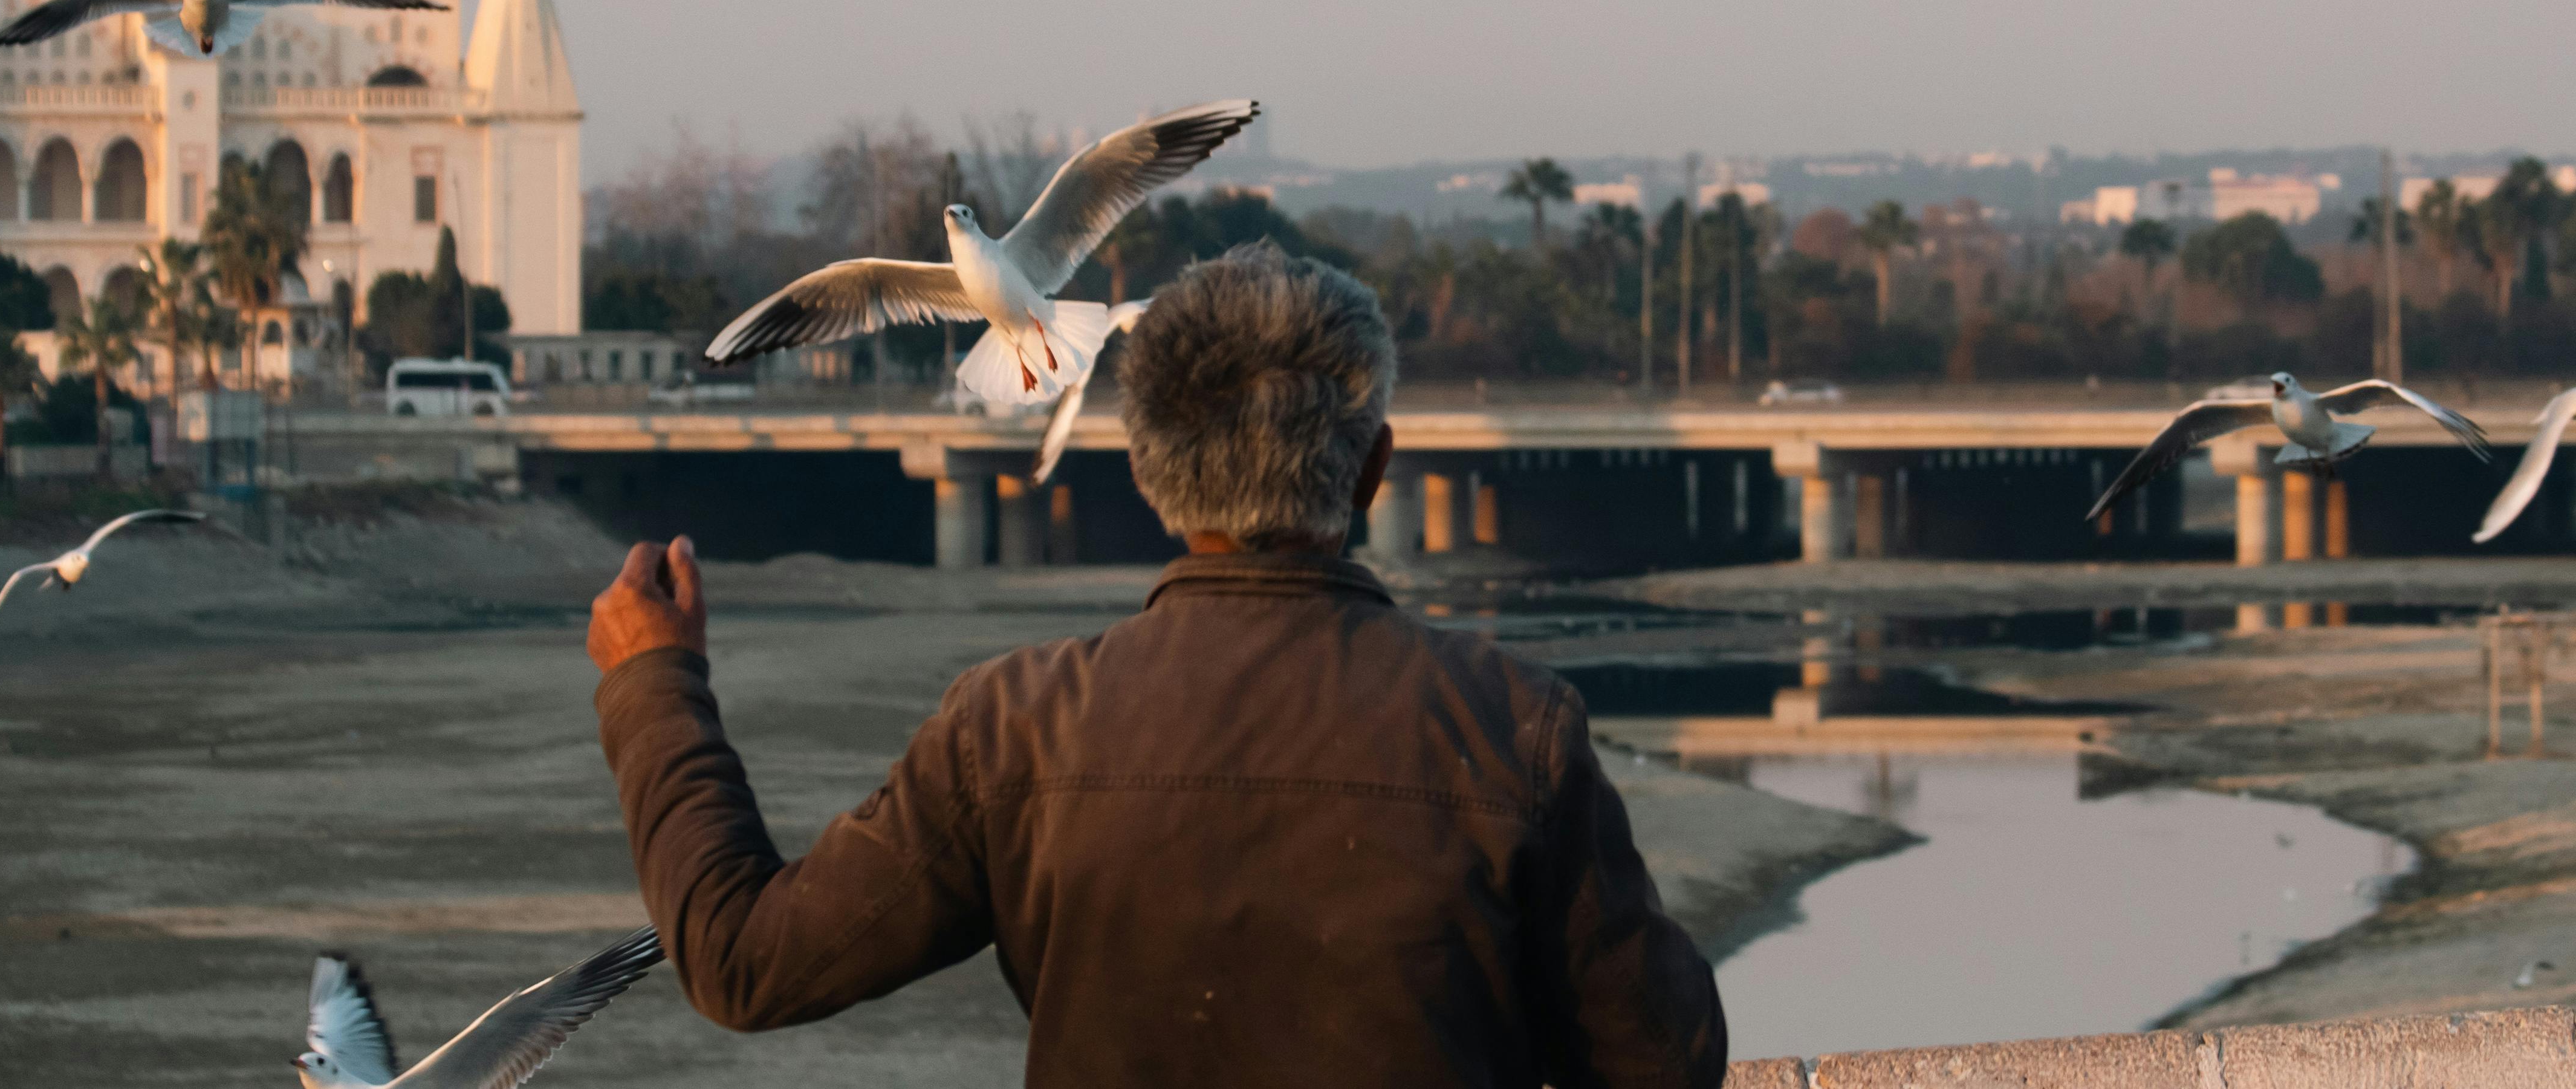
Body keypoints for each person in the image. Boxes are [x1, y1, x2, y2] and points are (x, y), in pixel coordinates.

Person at [588, 243, 1728, 1087]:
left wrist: (655, 686)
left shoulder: (1017, 728)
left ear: (1145, 472)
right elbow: (1664, 1058)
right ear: (1371, 469)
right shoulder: (1510, 728)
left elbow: (745, 960)